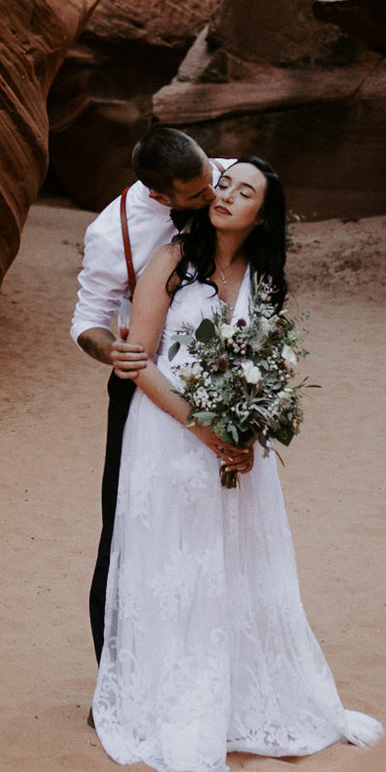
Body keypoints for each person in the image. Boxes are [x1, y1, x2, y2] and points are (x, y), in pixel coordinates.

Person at [90, 157, 380, 772]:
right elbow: (139, 361)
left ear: (262, 213)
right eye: (224, 183)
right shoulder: (172, 259)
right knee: (176, 559)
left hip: (234, 448)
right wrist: (204, 426)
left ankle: (237, 697)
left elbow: (270, 365)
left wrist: (248, 431)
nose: (225, 195)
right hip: (168, 434)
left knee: (237, 564)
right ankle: (176, 698)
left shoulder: (266, 279)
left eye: (244, 191)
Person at [71, 128, 241, 662]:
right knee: (125, 525)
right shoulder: (111, 232)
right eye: (196, 195)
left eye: (211, 179)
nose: (213, 196)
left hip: (223, 374)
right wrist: (110, 353)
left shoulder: (229, 176)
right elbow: (89, 321)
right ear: (162, 197)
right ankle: (117, 675)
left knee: (218, 522)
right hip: (144, 384)